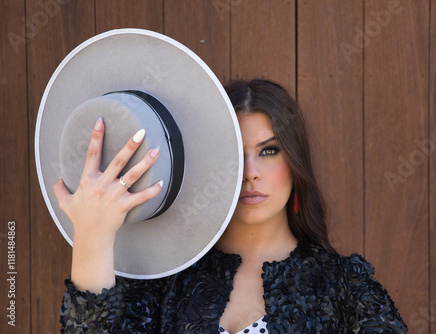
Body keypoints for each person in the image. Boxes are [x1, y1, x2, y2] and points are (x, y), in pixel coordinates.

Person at [55, 79, 407, 333]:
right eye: (235, 155)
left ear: (296, 163)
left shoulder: (344, 285)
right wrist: (91, 235)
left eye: (269, 151)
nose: (249, 173)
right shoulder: (162, 283)